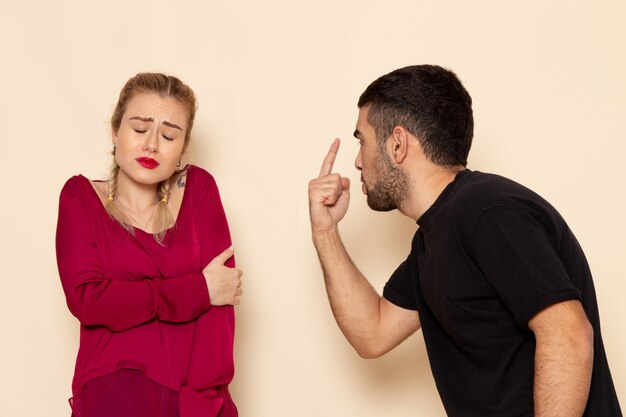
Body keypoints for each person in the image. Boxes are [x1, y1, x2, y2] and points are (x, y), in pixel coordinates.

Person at [308, 65, 622, 416]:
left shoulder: (488, 212)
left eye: (362, 140)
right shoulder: (435, 236)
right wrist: (325, 232)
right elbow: (373, 332)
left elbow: (568, 334)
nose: (358, 161)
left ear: (397, 144)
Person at [56, 73, 242, 417]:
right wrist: (198, 289)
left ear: (183, 149)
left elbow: (222, 309)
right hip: (110, 396)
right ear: (115, 132)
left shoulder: (198, 189)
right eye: (140, 129)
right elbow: (89, 300)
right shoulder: (80, 197)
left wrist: (201, 404)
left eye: (169, 135)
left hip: (195, 400)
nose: (151, 145)